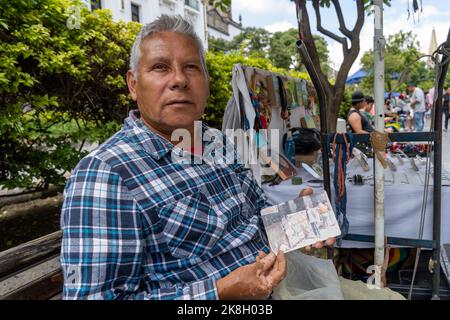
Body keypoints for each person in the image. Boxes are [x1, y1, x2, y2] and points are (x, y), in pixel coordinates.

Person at [60, 15, 334, 300]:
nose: (178, 79)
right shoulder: (105, 175)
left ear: (206, 81)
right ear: (133, 84)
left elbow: (256, 217)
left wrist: (296, 218)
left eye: (191, 67)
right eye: (159, 67)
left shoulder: (217, 142)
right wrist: (218, 294)